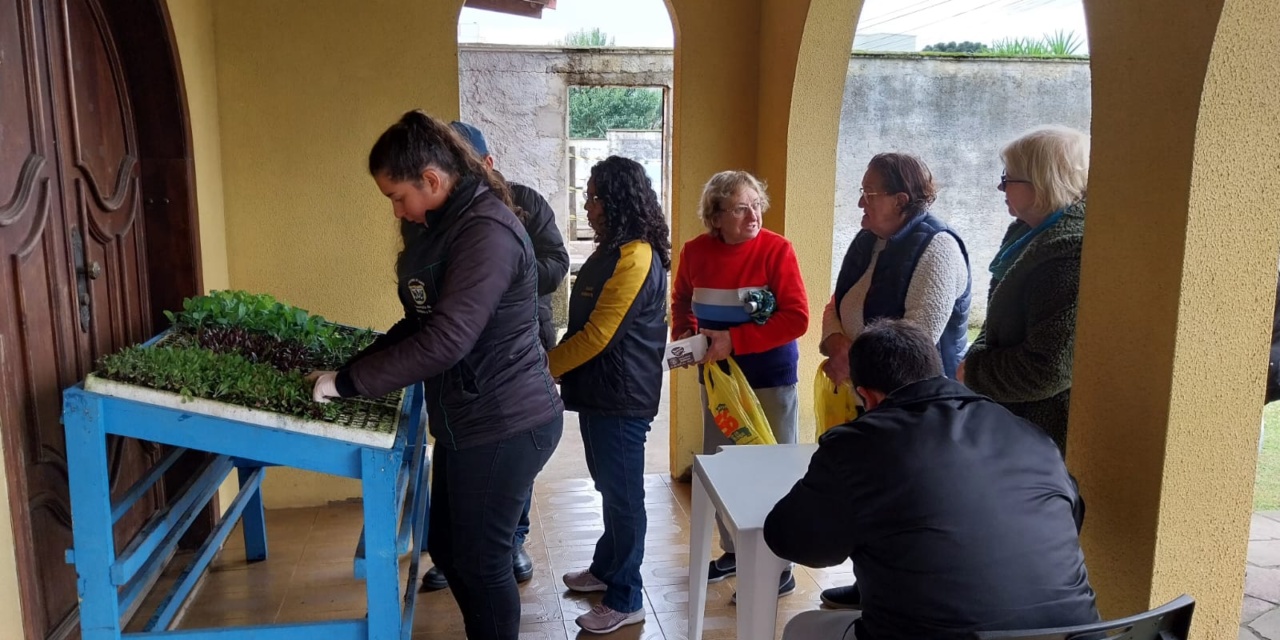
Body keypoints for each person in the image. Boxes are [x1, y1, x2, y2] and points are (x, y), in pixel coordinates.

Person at [308, 110, 563, 640]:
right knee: (449, 548)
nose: (398, 211)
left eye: (399, 197)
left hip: (506, 422)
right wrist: (351, 368)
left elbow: (448, 338)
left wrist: (347, 385)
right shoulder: (442, 224)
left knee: (482, 560)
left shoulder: (486, 229)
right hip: (466, 419)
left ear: (432, 178)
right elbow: (419, 322)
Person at [766, 319, 1099, 640]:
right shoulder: (1028, 434)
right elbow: (1071, 517)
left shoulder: (858, 445)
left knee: (802, 627)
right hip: (1073, 634)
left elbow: (793, 540)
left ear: (868, 397)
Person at [417, 120, 571, 592]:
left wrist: (504, 274)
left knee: (507, 448)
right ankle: (462, 547)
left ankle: (512, 540)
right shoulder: (439, 219)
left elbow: (557, 262)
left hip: (522, 337)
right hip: (463, 353)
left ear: (488, 162)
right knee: (470, 454)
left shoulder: (524, 202)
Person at [816, 152, 971, 609]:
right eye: (860, 192)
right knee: (875, 496)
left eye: (869, 194)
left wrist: (853, 357)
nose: (859, 204)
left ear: (902, 200)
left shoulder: (937, 247)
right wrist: (837, 344)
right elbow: (834, 304)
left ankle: (902, 596)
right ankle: (870, 586)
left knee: (908, 502)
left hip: (920, 406)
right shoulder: (868, 240)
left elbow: (917, 338)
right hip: (871, 392)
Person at [671, 170, 809, 596]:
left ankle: (778, 564)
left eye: (756, 205)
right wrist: (685, 335)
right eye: (740, 208)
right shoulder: (695, 252)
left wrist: (734, 340)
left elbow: (797, 318)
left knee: (773, 470)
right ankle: (734, 551)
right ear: (716, 216)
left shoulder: (777, 250)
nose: (753, 215)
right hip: (718, 381)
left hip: (770, 379)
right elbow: (681, 301)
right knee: (726, 465)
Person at [550, 156, 670, 634]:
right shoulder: (613, 250)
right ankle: (606, 568)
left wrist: (547, 366)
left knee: (623, 496)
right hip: (601, 392)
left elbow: (600, 333)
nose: (589, 205)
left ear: (617, 200)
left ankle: (626, 596)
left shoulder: (636, 255)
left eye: (596, 196)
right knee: (609, 487)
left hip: (622, 397)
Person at [959, 124, 1090, 452]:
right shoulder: (1026, 234)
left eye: (1008, 177)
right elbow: (995, 325)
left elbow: (1048, 369)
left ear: (1041, 182)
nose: (1000, 186)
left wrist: (974, 371)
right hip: (1013, 423)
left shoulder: (1068, 252)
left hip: (1040, 435)